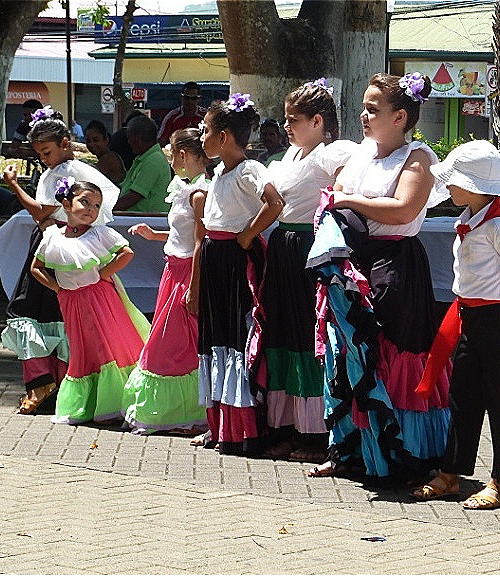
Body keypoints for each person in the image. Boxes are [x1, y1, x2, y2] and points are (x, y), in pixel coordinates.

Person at [308, 72, 451, 481]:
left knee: (390, 353)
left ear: (400, 117)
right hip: (351, 262)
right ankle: (349, 449)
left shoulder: (418, 158)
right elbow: (334, 194)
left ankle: (396, 452)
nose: (363, 116)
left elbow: (404, 210)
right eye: (364, 108)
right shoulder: (361, 152)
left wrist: (351, 200)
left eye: (372, 109)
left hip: (394, 267)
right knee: (347, 352)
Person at [410, 140, 500, 509]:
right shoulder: (466, 221)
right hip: (469, 316)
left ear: (473, 186)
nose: (448, 186)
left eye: (454, 181)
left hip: (497, 319)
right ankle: (451, 472)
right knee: (461, 396)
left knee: (498, 399)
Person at [259, 79, 357, 462]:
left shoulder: (332, 153)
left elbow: (352, 182)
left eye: (293, 119)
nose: (286, 126)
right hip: (283, 250)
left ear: (317, 121)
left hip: (308, 249)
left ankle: (314, 433)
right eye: (285, 119)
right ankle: (286, 427)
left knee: (307, 336)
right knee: (283, 334)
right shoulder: (289, 156)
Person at [1, 107, 120, 415]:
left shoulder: (66, 172)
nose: (44, 159)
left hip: (56, 245)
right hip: (62, 245)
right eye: (40, 154)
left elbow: (40, 211)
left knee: (31, 310)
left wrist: (14, 185)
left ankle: (45, 381)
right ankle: (60, 381)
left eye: (47, 152)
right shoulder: (69, 169)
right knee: (56, 313)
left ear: (65, 143)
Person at [192, 93, 284, 456]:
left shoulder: (250, 170)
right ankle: (221, 425)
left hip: (235, 261)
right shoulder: (219, 172)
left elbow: (275, 203)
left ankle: (243, 428)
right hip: (216, 258)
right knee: (216, 337)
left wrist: (247, 234)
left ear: (224, 136)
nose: (201, 137)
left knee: (236, 337)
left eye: (205, 130)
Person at [30, 179, 148, 425]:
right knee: (83, 348)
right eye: (85, 202)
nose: (91, 210)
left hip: (99, 297)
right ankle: (90, 402)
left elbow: (126, 253)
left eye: (96, 205)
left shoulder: (99, 233)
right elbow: (36, 267)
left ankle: (114, 402)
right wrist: (57, 288)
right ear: (66, 204)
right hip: (71, 301)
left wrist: (103, 274)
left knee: (106, 344)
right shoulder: (53, 237)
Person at [123, 128, 210, 435]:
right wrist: (154, 235)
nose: (170, 161)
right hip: (172, 271)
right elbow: (181, 234)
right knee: (169, 340)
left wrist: (194, 287)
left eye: (171, 155)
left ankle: (187, 412)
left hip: (186, 274)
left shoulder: (199, 194)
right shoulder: (185, 189)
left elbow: (200, 242)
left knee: (172, 344)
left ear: (183, 156)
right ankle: (182, 410)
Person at [114, 115, 172, 212]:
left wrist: (106, 210)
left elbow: (134, 197)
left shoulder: (153, 159)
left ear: (137, 138)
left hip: (147, 218)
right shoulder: (145, 157)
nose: (128, 142)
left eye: (129, 138)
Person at [158, 82, 207, 146]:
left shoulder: (206, 116)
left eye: (193, 98)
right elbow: (161, 140)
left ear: (199, 99)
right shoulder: (172, 116)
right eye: (187, 97)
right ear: (181, 97)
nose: (190, 101)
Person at [84, 120, 125, 185]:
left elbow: (88, 178)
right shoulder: (108, 156)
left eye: (96, 140)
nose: (91, 144)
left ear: (106, 140)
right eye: (88, 141)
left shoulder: (109, 158)